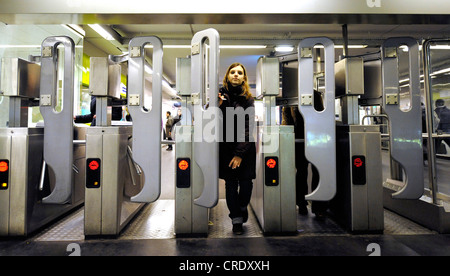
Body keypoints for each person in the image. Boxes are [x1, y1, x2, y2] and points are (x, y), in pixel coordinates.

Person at [218, 62, 256, 235]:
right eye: (232, 72)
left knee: (246, 184)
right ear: (227, 76)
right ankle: (236, 219)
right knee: (231, 184)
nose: (235, 74)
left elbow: (248, 127)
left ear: (244, 77)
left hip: (245, 148)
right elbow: (207, 117)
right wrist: (216, 105)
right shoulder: (219, 95)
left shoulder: (248, 98)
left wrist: (240, 154)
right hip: (226, 147)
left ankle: (242, 206)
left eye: (239, 72)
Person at [281, 91, 328, 219]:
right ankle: (302, 203)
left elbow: (320, 115)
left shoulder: (313, 95)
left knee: (314, 172)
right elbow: (287, 121)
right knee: (302, 172)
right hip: (300, 141)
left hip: (313, 140)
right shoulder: (294, 95)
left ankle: (317, 206)